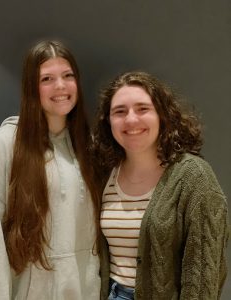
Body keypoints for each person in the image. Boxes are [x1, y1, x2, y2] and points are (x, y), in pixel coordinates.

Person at [0, 40, 100, 300]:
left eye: (67, 76)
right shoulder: (3, 144)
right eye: (47, 78)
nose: (60, 86)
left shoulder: (90, 146)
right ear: (31, 87)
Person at [92, 71, 229, 300]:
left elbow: (204, 275)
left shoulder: (194, 177)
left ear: (162, 115)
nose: (131, 119)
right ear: (108, 121)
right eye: (120, 111)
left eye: (143, 109)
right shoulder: (105, 174)